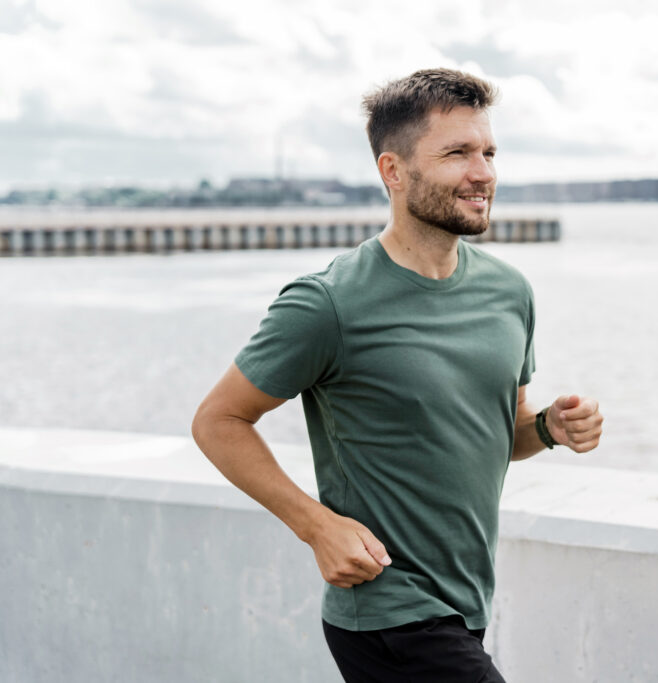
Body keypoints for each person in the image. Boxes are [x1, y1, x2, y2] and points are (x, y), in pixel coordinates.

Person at [191, 68, 603, 682]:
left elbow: (502, 434)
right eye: (457, 153)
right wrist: (316, 526)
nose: (483, 172)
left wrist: (548, 427)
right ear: (393, 171)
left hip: (466, 605)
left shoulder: (509, 292)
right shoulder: (327, 303)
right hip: (386, 611)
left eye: (488, 152)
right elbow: (218, 421)